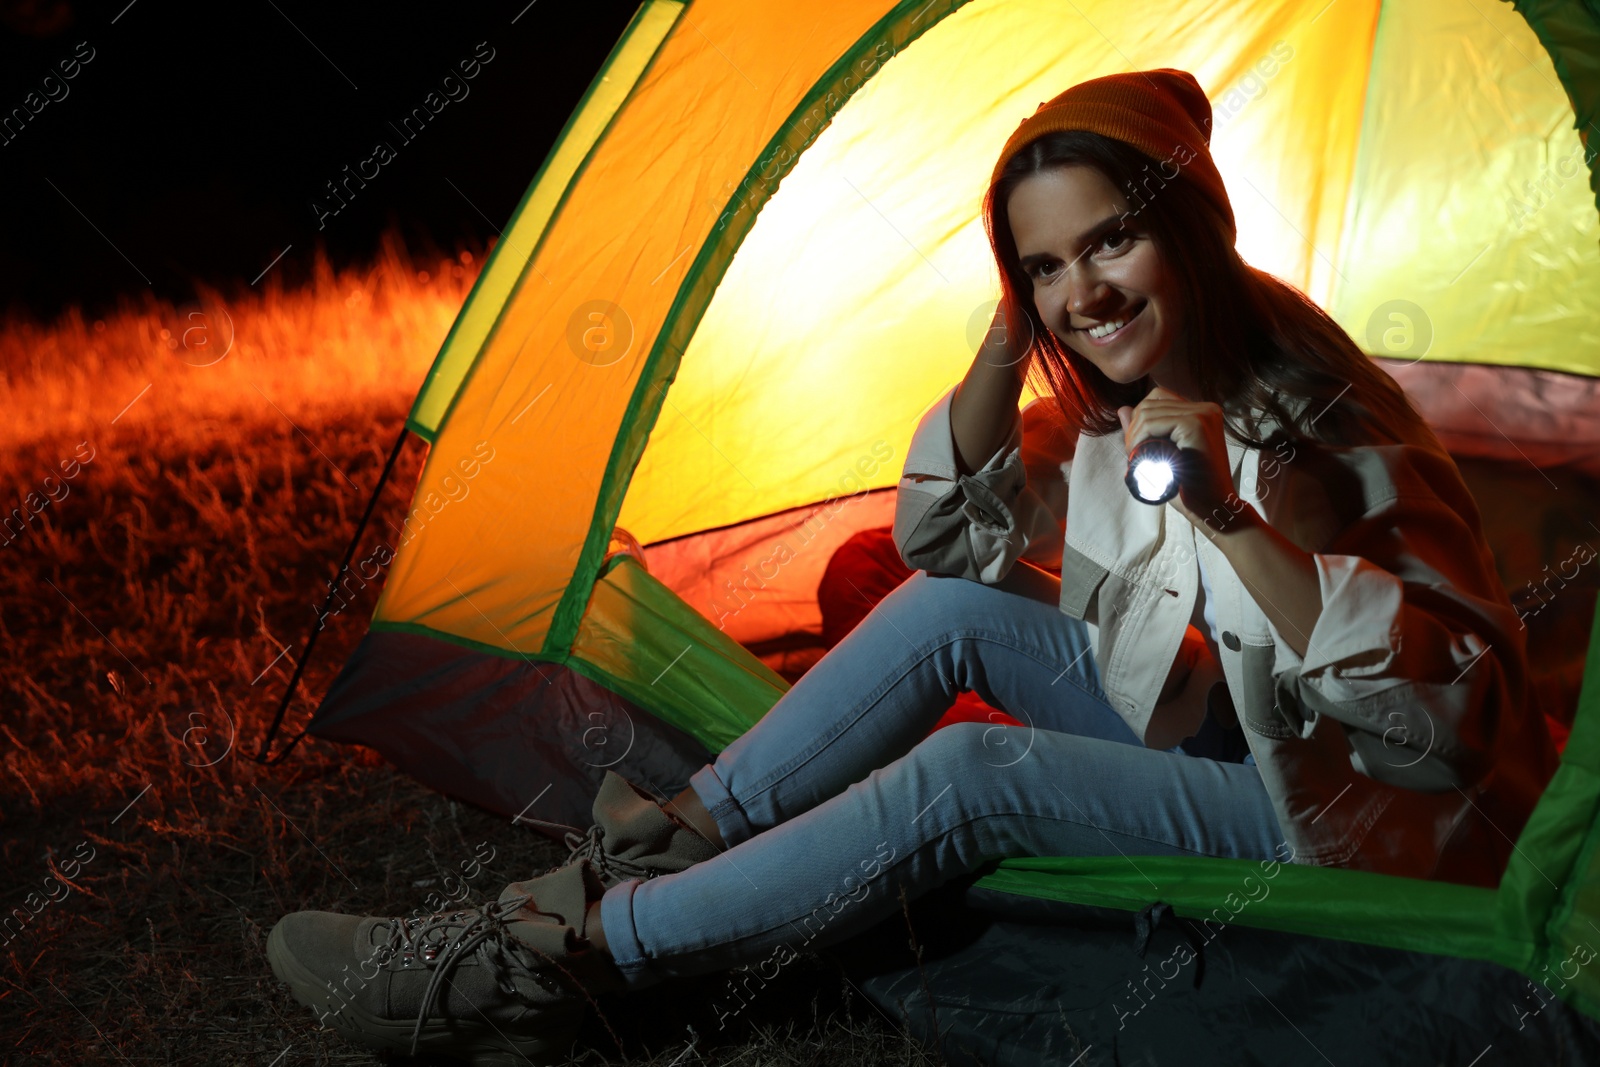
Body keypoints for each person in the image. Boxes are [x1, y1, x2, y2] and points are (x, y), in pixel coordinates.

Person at [265, 68, 1558, 1065]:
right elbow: (946, 538)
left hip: (1363, 825)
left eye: (1108, 242)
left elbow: (1442, 723)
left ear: (1192, 228)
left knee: (973, 772)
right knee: (949, 608)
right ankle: (656, 851)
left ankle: (556, 969)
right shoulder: (1133, 370)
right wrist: (1006, 342)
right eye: (1044, 265)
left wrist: (1230, 521)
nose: (1082, 295)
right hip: (1252, 736)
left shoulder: (1313, 407)